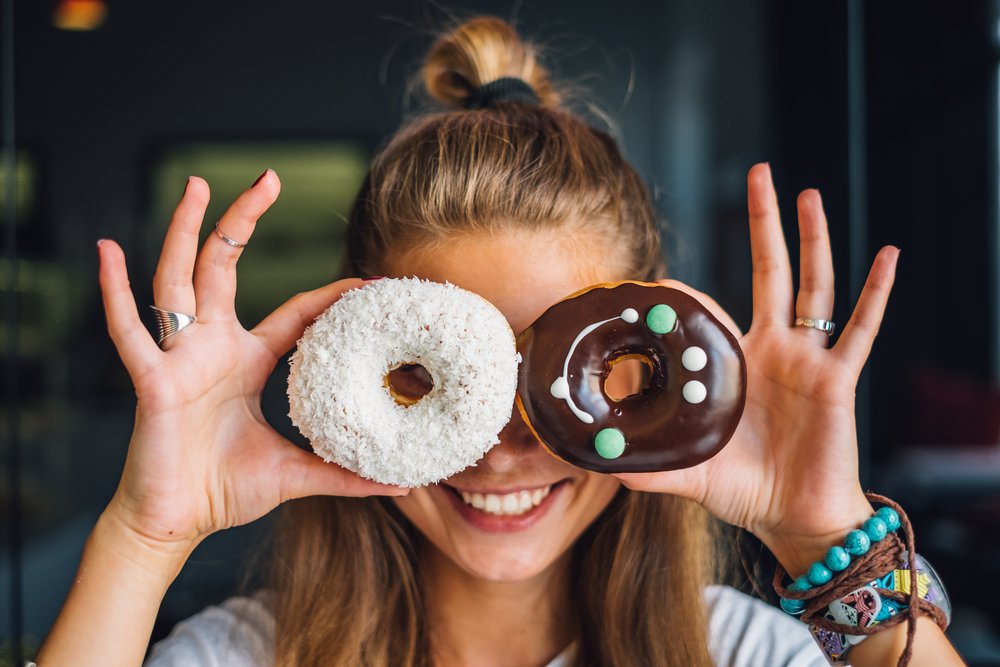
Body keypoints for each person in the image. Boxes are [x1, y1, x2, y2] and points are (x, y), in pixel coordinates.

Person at [35, 16, 964, 667]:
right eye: (444, 383)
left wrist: (826, 539)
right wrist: (144, 537)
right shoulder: (234, 657)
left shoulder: (752, 653)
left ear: (647, 385)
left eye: (559, 371)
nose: (504, 443)